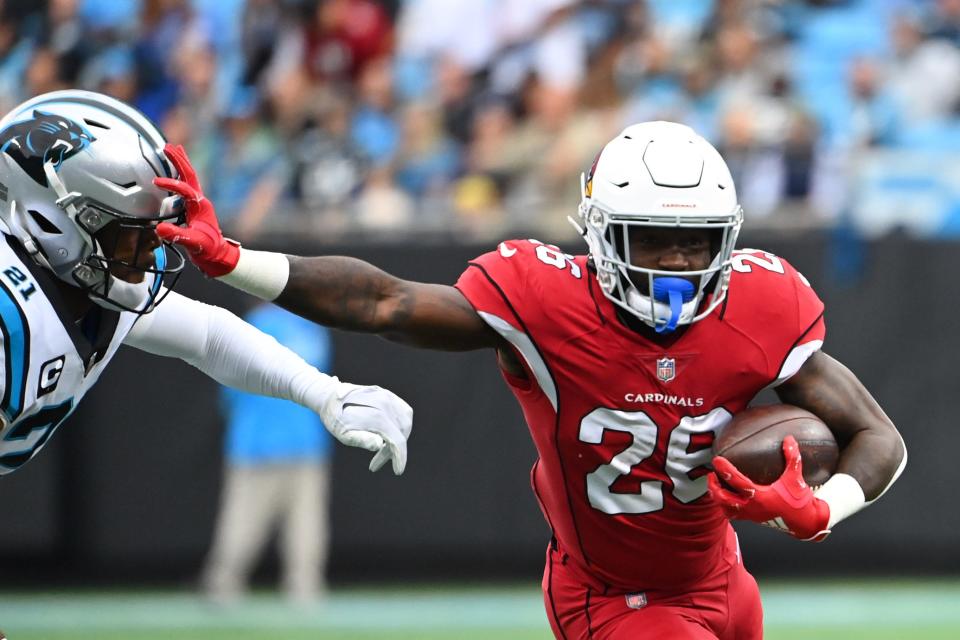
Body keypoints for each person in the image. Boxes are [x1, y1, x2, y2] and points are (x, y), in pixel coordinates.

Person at [159, 121, 907, 639]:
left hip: (722, 581)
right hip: (613, 596)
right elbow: (384, 299)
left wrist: (826, 508)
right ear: (602, 232)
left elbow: (877, 436)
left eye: (697, 243)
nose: (676, 264)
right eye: (653, 239)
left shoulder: (761, 302)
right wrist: (235, 261)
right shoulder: (547, 301)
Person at [0, 89, 411, 480]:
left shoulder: (88, 280)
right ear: (50, 220)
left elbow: (210, 337)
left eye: (153, 230)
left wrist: (325, 394)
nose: (149, 253)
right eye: (132, 232)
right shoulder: (12, 314)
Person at [203, 303, 335, 605]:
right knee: (306, 522)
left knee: (243, 520)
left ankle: (223, 587)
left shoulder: (253, 325)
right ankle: (305, 591)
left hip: (255, 443)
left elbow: (230, 387)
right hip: (304, 442)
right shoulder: (313, 327)